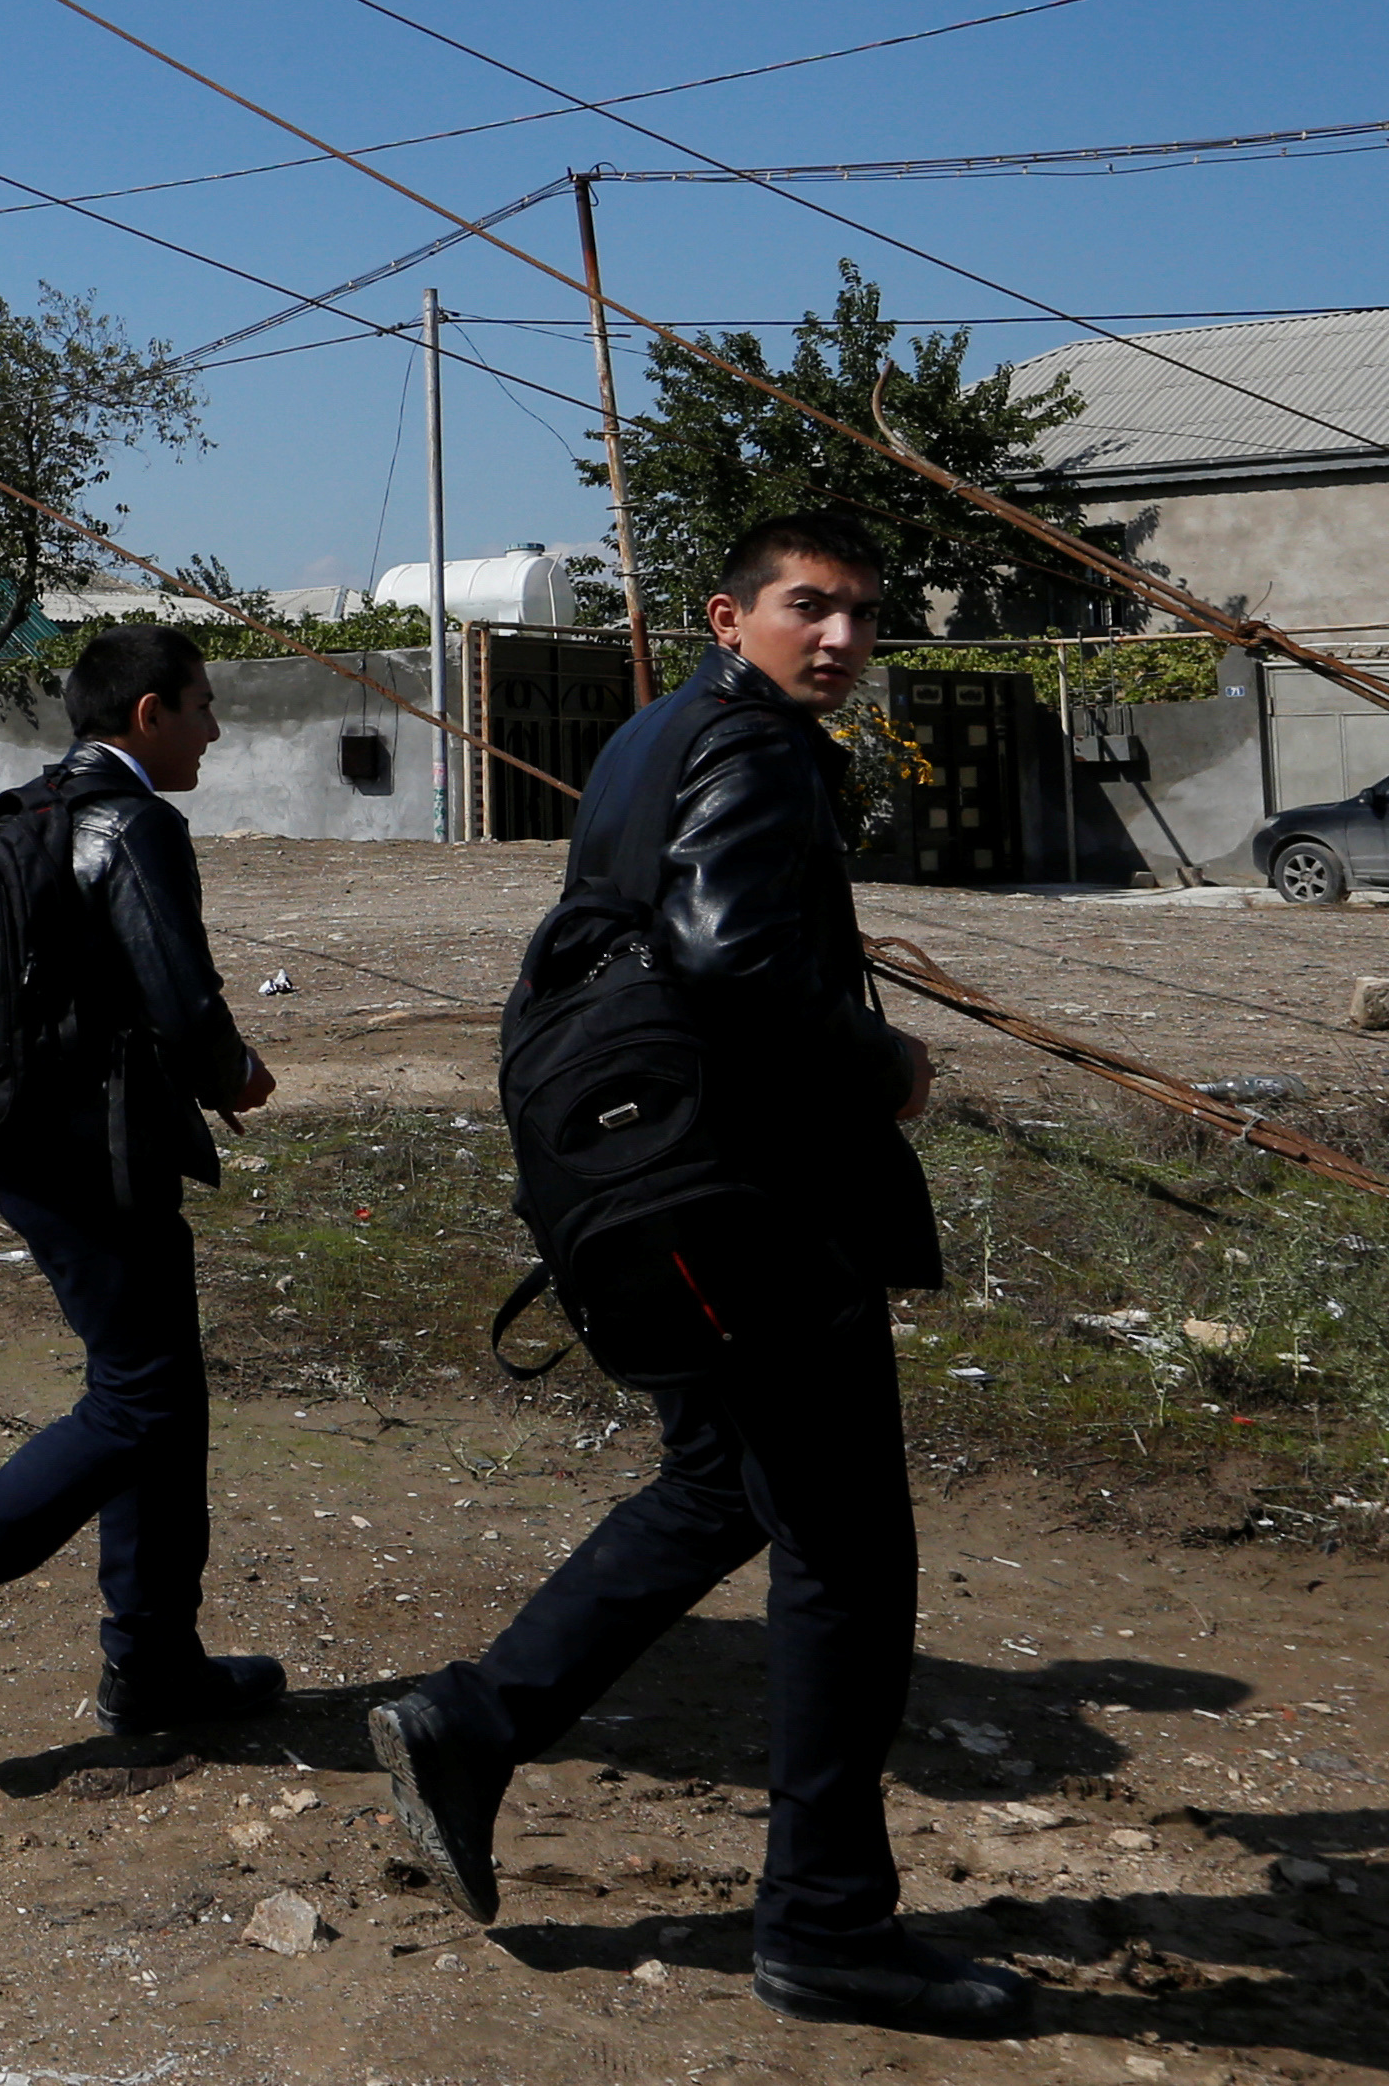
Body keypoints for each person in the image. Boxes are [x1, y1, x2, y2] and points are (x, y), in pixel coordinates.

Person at [367, 508, 1021, 2034]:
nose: (843, 638)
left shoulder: (649, 731)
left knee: (724, 1483)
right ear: (732, 617)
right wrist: (880, 1059)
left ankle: (473, 1721)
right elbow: (732, 958)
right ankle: (823, 1925)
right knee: (849, 1555)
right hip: (749, 1193)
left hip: (657, 1179)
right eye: (810, 608)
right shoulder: (760, 747)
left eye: (862, 613)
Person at [0, 622, 283, 1747]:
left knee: (160, 1398)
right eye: (202, 705)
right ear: (148, 715)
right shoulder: (132, 821)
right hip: (89, 1146)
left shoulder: (26, 809)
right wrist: (235, 1070)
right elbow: (179, 995)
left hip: (24, 1131)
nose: (215, 729)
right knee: (142, 1399)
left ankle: (154, 1665)